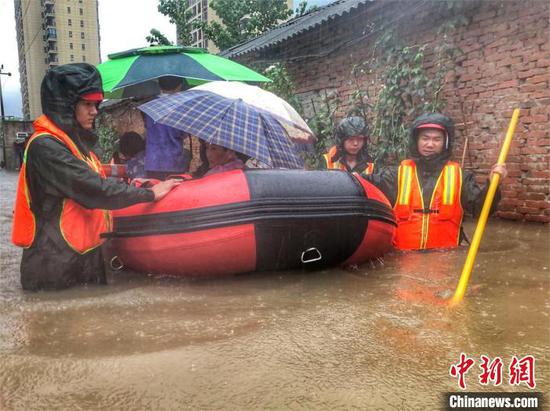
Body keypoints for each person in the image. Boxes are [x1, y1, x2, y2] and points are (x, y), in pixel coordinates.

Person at [11, 63, 179, 291]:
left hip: (82, 256)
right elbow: (95, 190)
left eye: (96, 104)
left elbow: (96, 177)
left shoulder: (74, 144)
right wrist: (149, 194)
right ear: (66, 107)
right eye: (87, 104)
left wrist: (136, 179)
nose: (95, 111)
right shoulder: (45, 147)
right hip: (53, 267)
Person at [365, 112, 507, 251]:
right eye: (425, 138)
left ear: (445, 143)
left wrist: (493, 185)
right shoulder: (395, 175)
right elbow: (365, 186)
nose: (430, 144)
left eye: (436, 139)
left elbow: (480, 209)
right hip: (402, 260)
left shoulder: (460, 176)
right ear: (416, 141)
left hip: (444, 260)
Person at [144, 76, 191, 179]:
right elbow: (182, 133)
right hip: (173, 162)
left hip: (152, 162)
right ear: (179, 86)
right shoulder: (179, 107)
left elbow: (148, 127)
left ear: (159, 85)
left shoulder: (149, 106)